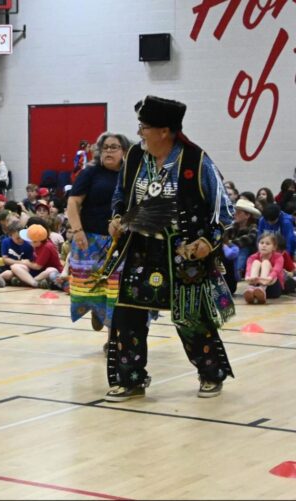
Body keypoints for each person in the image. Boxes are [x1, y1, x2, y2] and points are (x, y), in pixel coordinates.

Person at [103, 95, 235, 402]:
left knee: (190, 316)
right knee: (127, 314)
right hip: (141, 249)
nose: (139, 133)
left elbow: (223, 210)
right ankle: (130, 378)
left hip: (185, 253)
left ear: (165, 131)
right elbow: (120, 195)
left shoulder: (195, 160)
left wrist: (207, 242)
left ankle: (211, 373)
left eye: (144, 127)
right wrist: (117, 218)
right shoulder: (136, 156)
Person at [66, 132, 130, 333]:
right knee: (92, 288)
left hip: (120, 243)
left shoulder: (131, 176)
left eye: (114, 147)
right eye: (105, 147)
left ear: (125, 152)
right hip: (90, 240)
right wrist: (77, 231)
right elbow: (73, 202)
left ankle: (113, 339)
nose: (109, 151)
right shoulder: (90, 173)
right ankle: (96, 310)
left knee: (116, 291)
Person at [243, 233, 284, 304]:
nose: (264, 245)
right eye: (261, 243)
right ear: (258, 245)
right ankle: (251, 288)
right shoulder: (252, 257)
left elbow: (276, 270)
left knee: (265, 262)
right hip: (256, 285)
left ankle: (262, 288)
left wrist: (269, 278)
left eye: (268, 244)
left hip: (272, 286)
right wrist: (248, 277)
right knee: (256, 262)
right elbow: (248, 269)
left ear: (274, 247)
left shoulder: (278, 257)